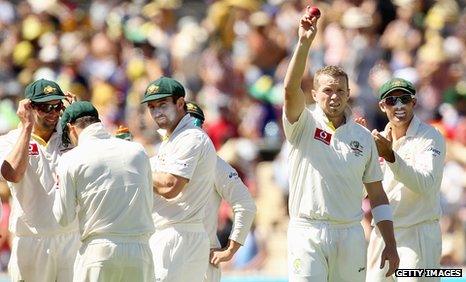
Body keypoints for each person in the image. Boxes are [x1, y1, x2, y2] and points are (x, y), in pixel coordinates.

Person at [283, 10, 399, 281]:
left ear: (349, 94)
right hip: (307, 231)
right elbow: (290, 90)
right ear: (314, 94)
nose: (334, 96)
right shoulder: (304, 123)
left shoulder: (362, 136)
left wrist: (391, 244)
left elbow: (378, 196)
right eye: (327, 90)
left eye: (339, 91)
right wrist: (304, 43)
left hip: (349, 233)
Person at [52, 101, 155, 282]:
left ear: (71, 128)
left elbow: (63, 218)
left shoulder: (71, 159)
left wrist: (58, 186)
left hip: (99, 252)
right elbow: (148, 201)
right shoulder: (138, 150)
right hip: (141, 251)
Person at [363, 78, 446, 282]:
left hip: (418, 234)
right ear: (382, 106)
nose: (399, 105)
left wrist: (391, 157)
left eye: (404, 99)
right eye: (391, 100)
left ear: (413, 103)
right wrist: (355, 147)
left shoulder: (430, 137)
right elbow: (363, 192)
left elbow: (425, 184)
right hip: (382, 234)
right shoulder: (378, 140)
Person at [0, 79, 80, 282]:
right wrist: (27, 127)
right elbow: (13, 174)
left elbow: (98, 160)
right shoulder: (11, 140)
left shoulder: (72, 135)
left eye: (58, 106)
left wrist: (77, 119)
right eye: (46, 107)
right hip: (31, 239)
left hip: (71, 237)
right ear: (29, 107)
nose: (53, 112)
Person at [141, 77, 217, 282]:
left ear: (180, 103)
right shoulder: (173, 139)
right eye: (152, 107)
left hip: (177, 236)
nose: (157, 112)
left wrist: (137, 168)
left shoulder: (190, 137)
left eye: (163, 105)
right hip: (175, 234)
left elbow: (170, 186)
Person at [186, 102, 257, 282]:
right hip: (165, 253)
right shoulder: (159, 160)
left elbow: (246, 206)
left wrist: (230, 249)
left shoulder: (214, 164)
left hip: (201, 256)